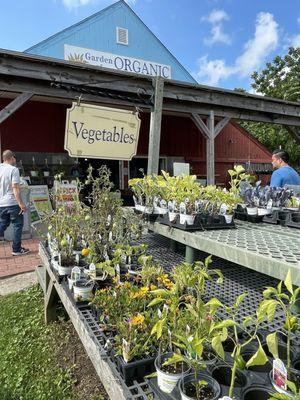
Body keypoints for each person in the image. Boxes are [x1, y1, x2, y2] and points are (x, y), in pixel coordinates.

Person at [0, 150, 30, 255]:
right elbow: (15, 188)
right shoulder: (14, 170)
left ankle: (17, 248)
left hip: (1, 203)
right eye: (14, 158)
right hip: (12, 203)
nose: (15, 160)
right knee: (17, 225)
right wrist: (21, 204)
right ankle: (16, 249)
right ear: (11, 158)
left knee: (3, 224)